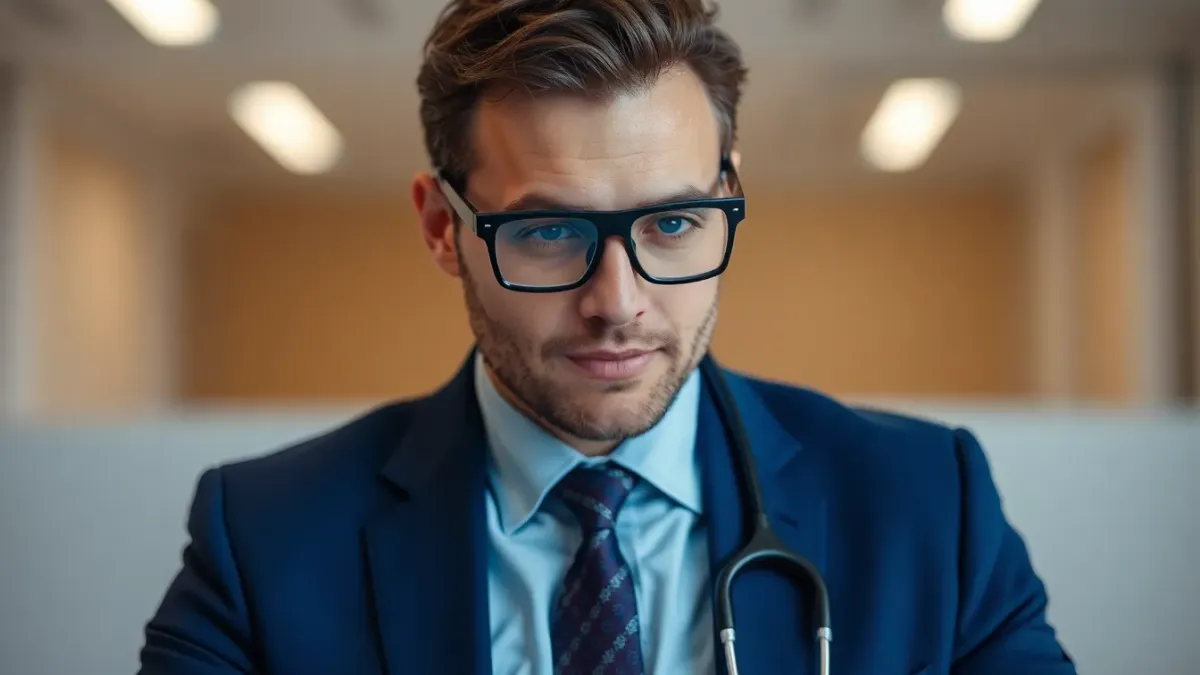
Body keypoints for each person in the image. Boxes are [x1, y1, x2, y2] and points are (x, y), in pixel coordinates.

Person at [137, 1, 1078, 673]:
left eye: (672, 224)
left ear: (727, 198)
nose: (617, 301)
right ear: (441, 227)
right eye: (548, 231)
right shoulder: (267, 540)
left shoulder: (926, 509)